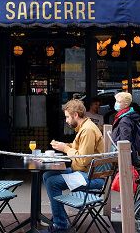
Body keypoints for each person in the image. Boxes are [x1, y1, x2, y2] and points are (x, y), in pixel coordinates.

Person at [42, 99, 104, 232]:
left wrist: (65, 148)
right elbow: (79, 151)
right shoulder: (84, 127)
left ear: (75, 115)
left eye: (67, 117)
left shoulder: (87, 130)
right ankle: (61, 217)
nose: (66, 120)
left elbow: (82, 160)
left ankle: (60, 225)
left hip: (92, 177)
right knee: (47, 175)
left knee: (53, 182)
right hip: (85, 172)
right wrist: (63, 146)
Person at [110, 92, 140, 213]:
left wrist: (122, 152)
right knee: (128, 180)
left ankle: (126, 205)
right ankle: (127, 204)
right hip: (130, 153)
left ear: (125, 104)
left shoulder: (124, 119)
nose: (116, 104)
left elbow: (125, 139)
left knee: (126, 180)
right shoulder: (127, 115)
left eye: (118, 102)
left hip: (126, 154)